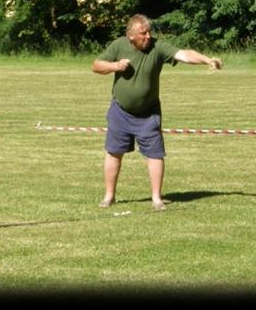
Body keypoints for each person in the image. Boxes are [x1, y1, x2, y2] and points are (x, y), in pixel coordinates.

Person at [91, 14, 223, 211]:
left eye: (149, 33)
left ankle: (156, 199)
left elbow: (183, 54)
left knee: (155, 155)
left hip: (148, 113)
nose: (147, 37)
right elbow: (96, 65)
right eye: (143, 34)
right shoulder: (118, 46)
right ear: (130, 36)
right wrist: (115, 66)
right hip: (120, 111)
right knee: (114, 153)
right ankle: (109, 196)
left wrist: (206, 59)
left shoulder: (158, 46)